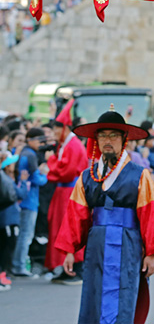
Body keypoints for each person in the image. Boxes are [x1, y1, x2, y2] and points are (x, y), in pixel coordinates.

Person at [54, 106, 154, 324]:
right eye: (102, 136)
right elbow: (76, 214)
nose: (107, 140)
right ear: (96, 141)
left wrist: (151, 253)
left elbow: (149, 215)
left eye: (113, 135)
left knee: (124, 294)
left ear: (124, 139)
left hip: (128, 242)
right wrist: (69, 250)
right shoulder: (87, 176)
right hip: (97, 244)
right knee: (94, 295)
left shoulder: (140, 175)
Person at [45, 102, 88, 283]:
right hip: (64, 192)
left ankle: (75, 268)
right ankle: (65, 267)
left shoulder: (72, 145)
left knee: (69, 229)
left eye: (56, 130)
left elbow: (66, 172)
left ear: (63, 129)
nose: (54, 134)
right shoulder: (67, 144)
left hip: (69, 193)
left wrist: (51, 161)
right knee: (61, 230)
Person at [11, 128, 48, 277]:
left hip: (23, 200)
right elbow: (37, 179)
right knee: (25, 235)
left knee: (22, 234)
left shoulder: (24, 154)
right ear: (31, 139)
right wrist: (45, 174)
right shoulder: (30, 155)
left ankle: (17, 264)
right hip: (29, 200)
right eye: (39, 140)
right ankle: (19, 266)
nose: (41, 143)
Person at [0, 153, 29, 290]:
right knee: (7, 248)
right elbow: (20, 194)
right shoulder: (6, 179)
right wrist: (23, 182)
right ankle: (2, 275)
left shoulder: (6, 179)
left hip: (7, 218)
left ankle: (3, 274)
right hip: (8, 219)